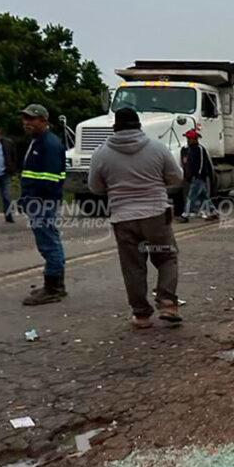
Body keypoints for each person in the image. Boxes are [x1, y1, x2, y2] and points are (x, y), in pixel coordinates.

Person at [88, 108, 185, 329]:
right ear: (139, 126)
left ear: (115, 128)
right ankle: (168, 303)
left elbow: (95, 187)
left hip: (123, 217)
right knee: (166, 258)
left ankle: (141, 315)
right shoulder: (157, 148)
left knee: (133, 266)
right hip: (156, 216)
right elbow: (176, 177)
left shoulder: (101, 153)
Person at [20, 104, 68, 306]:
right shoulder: (39, 142)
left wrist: (34, 198)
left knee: (49, 244)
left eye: (31, 119)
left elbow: (51, 178)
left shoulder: (49, 144)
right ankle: (55, 285)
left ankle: (53, 288)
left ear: (43, 121)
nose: (26, 123)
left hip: (41, 202)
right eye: (25, 119)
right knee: (48, 241)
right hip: (37, 200)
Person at [179, 129, 217, 222]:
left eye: (189, 138)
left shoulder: (199, 149)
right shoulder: (188, 149)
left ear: (194, 139)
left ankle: (185, 214)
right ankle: (213, 212)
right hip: (194, 177)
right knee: (203, 197)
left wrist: (198, 175)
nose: (187, 140)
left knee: (191, 196)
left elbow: (201, 163)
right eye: (187, 138)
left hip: (199, 177)